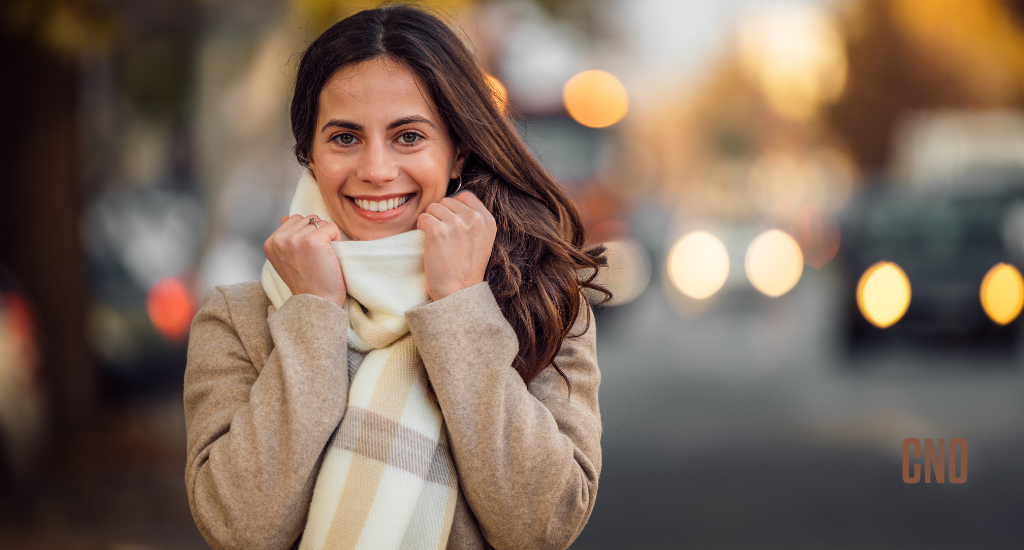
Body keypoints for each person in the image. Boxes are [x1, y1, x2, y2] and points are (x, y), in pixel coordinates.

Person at [183, 4, 609, 550]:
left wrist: (460, 305)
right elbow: (239, 528)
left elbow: (541, 526)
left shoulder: (541, 304)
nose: (377, 170)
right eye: (345, 138)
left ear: (458, 152)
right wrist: (312, 314)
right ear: (309, 155)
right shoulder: (238, 319)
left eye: (408, 136)